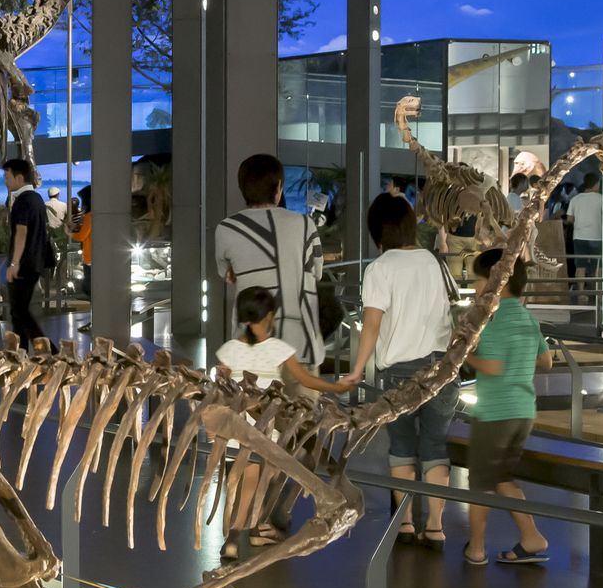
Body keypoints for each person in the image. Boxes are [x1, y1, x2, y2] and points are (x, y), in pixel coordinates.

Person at [346, 192, 458, 549]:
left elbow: (373, 324)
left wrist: (357, 369)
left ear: (377, 231)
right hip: (441, 369)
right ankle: (437, 527)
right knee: (436, 445)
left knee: (401, 447)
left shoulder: (380, 268)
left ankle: (406, 523)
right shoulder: (434, 262)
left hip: (399, 374)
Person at [215, 286, 355, 558]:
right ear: (270, 316)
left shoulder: (228, 349)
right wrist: (336, 388)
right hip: (263, 429)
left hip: (237, 426)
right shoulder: (278, 349)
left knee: (248, 480)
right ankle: (232, 539)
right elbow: (305, 379)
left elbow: (221, 385)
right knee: (255, 481)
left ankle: (253, 530)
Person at [462, 249, 553, 567]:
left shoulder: (495, 319)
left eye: (479, 278)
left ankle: (476, 548)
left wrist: (465, 356)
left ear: (498, 281)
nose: (475, 285)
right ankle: (531, 538)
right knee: (502, 478)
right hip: (523, 410)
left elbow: (494, 367)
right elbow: (546, 361)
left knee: (480, 485)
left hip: (495, 413)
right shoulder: (527, 318)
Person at [214, 154, 331, 360]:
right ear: (278, 188)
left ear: (243, 188)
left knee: (250, 391)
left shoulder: (226, 229)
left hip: (251, 348)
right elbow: (317, 273)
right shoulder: (305, 224)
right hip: (300, 345)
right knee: (301, 393)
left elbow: (227, 275)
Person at [2, 158, 54, 345]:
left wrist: (14, 263)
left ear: (19, 177)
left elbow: (21, 233)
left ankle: (49, 350)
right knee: (18, 311)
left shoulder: (23, 201)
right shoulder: (37, 199)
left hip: (24, 264)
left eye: (7, 176)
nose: (5, 181)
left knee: (20, 311)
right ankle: (22, 350)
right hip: (34, 262)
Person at [566, 173, 603, 304]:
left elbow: (569, 219)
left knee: (580, 266)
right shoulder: (601, 199)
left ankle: (581, 294)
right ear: (596, 184)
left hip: (579, 237)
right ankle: (598, 293)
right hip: (597, 237)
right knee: (597, 266)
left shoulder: (575, 199)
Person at [68, 185, 94, 298]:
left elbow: (82, 236)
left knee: (89, 289)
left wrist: (69, 233)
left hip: (90, 257)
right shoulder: (98, 215)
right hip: (97, 257)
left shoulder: (89, 216)